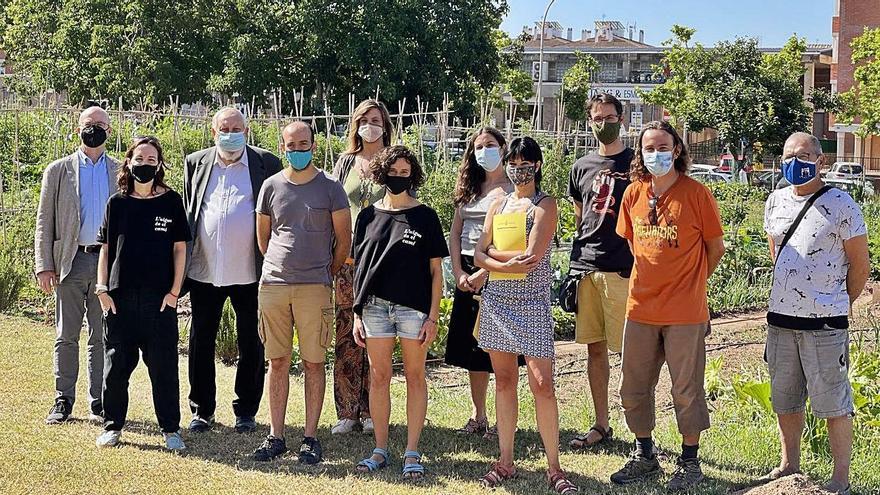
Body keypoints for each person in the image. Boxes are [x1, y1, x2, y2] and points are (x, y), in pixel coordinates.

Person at [612, 121, 725, 491]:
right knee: (633, 387)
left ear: (677, 149)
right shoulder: (633, 194)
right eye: (649, 148)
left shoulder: (696, 194)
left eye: (663, 146)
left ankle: (690, 462)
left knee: (686, 389)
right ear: (640, 152)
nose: (655, 154)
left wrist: (690, 283)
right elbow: (633, 245)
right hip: (640, 309)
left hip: (685, 313)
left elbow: (714, 249)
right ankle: (645, 454)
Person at [761, 132, 869, 495]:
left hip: (825, 323)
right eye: (789, 155)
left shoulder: (842, 204)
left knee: (833, 401)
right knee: (785, 397)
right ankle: (789, 464)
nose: (796, 161)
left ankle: (840, 478)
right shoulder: (775, 200)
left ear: (821, 161)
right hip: (780, 320)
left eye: (805, 155)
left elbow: (860, 265)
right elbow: (776, 250)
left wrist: (840, 301)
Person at [474, 137, 577, 494]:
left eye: (525, 162)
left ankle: (554, 467)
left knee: (542, 385)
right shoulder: (498, 203)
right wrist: (503, 260)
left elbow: (531, 257)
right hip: (497, 302)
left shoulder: (545, 205)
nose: (519, 168)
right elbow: (477, 254)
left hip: (532, 304)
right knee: (503, 382)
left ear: (537, 165)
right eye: (513, 162)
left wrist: (495, 258)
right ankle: (505, 461)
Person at [250, 122, 351, 463]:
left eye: (304, 143)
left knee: (313, 362)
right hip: (274, 286)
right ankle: (275, 436)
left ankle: (310, 437)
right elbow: (264, 240)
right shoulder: (270, 186)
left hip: (314, 287)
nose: (298, 149)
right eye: (291, 144)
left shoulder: (331, 188)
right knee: (276, 362)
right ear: (283, 146)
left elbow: (343, 241)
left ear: (314, 144)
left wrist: (327, 271)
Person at [183, 106, 282, 434]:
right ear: (214, 132)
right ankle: (202, 410)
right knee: (201, 340)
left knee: (251, 341)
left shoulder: (265, 163)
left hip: (250, 269)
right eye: (224, 129)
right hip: (205, 269)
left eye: (237, 128)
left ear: (246, 130)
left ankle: (246, 410)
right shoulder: (196, 163)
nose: (231, 134)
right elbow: (190, 210)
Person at [351, 145, 447, 478]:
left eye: (406, 173)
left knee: (415, 377)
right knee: (379, 377)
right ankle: (380, 450)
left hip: (413, 311)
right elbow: (359, 270)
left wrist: (433, 316)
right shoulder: (366, 216)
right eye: (393, 171)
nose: (399, 177)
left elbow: (437, 273)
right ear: (382, 173)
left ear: (413, 176)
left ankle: (412, 452)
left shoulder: (426, 216)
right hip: (374, 308)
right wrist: (356, 314)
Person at [94, 136, 190, 450]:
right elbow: (105, 250)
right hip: (119, 301)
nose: (145, 165)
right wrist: (102, 290)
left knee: (164, 369)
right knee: (116, 367)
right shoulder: (117, 203)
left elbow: (180, 250)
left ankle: (171, 430)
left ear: (159, 165)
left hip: (159, 302)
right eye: (139, 159)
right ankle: (112, 426)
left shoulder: (172, 201)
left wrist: (174, 293)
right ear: (129, 162)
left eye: (151, 160)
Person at [35, 105, 119, 424]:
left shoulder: (119, 170)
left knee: (102, 335)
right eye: (89, 123)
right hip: (70, 261)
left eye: (100, 124)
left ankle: (99, 401)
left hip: (105, 265)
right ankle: (63, 399)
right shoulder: (58, 170)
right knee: (66, 334)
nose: (94, 128)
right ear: (78, 128)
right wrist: (44, 264)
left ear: (109, 131)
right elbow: (45, 221)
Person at [567, 93, 634, 449]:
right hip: (587, 266)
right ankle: (601, 423)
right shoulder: (580, 166)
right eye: (597, 118)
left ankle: (640, 427)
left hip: (622, 267)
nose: (603, 124)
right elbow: (581, 217)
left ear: (621, 120)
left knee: (630, 351)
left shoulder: (636, 163)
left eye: (609, 117)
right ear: (589, 122)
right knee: (594, 350)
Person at [330, 99, 394, 435]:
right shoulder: (344, 164)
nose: (370, 125)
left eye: (376, 119)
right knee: (346, 335)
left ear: (385, 124)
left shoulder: (394, 162)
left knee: (378, 333)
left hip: (383, 262)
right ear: (355, 125)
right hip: (349, 262)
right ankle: (347, 411)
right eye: (364, 120)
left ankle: (373, 410)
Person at [446, 127, 513, 437]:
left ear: (502, 147)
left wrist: (485, 272)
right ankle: (479, 415)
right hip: (466, 275)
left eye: (490, 145)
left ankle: (503, 418)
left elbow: (512, 240)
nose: (484, 151)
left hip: (496, 273)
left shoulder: (511, 190)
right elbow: (456, 232)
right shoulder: (469, 190)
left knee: (497, 349)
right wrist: (459, 272)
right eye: (478, 146)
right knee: (473, 350)